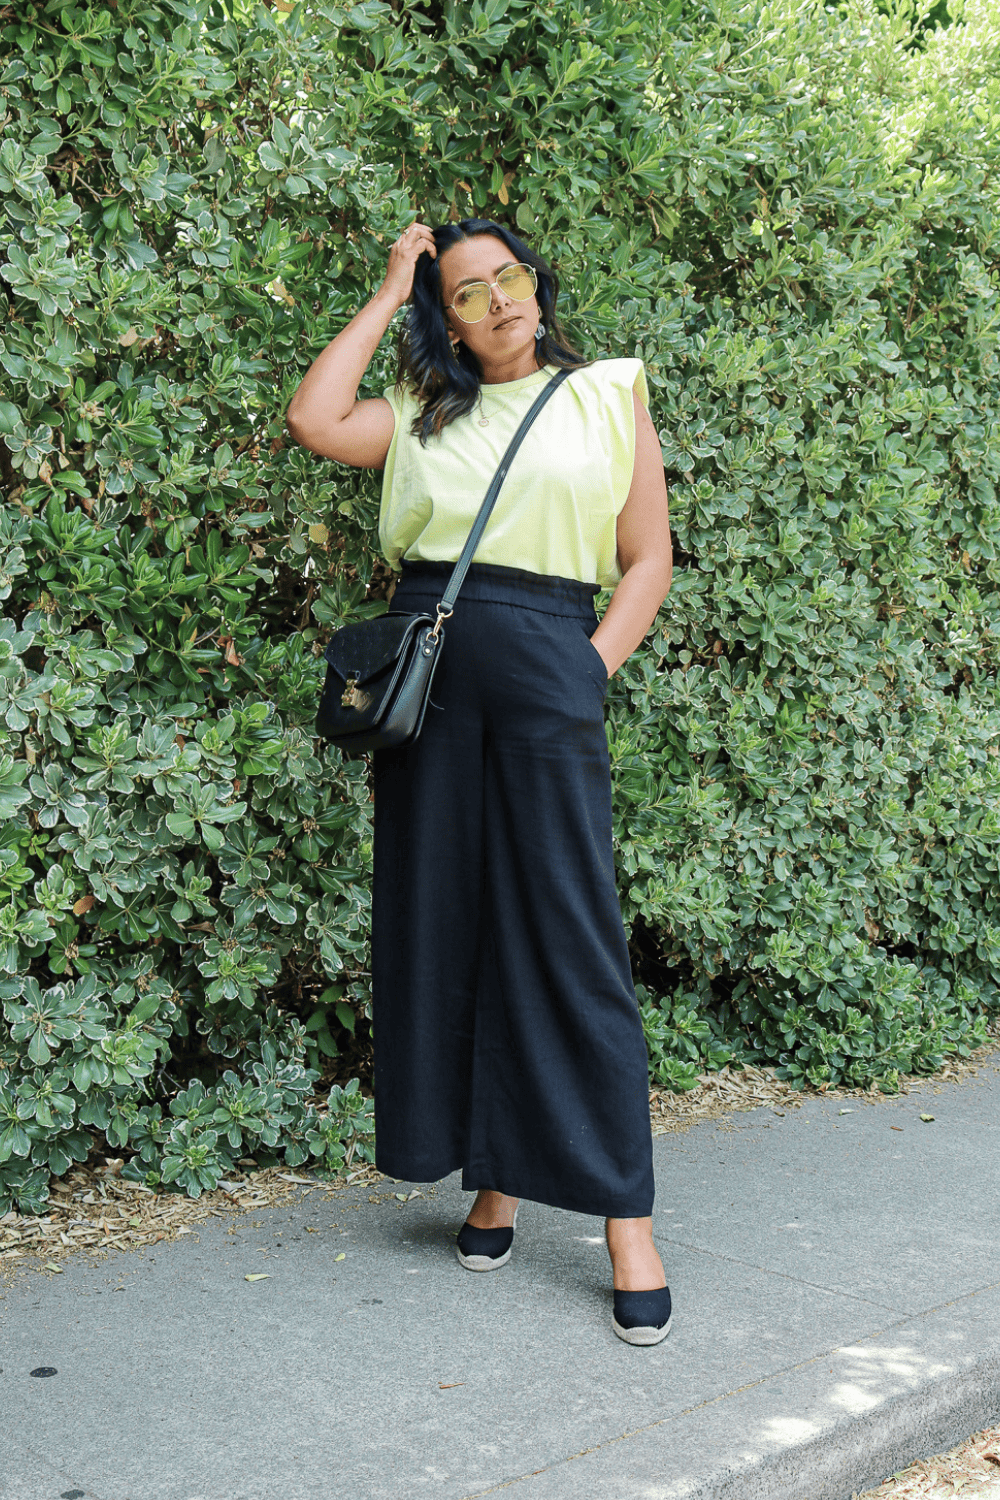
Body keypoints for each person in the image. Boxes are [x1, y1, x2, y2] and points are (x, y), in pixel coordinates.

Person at [286, 217, 674, 1345]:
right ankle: (493, 1185)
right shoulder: (421, 411)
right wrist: (386, 289)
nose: (499, 300)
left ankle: (628, 1220)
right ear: (446, 321)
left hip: (551, 667)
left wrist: (587, 671)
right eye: (466, 291)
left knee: (570, 936)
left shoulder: (607, 393)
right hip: (433, 686)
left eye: (510, 277)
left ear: (537, 285)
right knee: (450, 927)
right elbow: (314, 418)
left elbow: (646, 556)